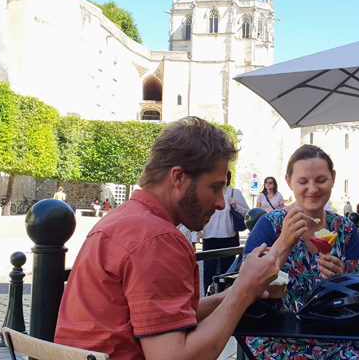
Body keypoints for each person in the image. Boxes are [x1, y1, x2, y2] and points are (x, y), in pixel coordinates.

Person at [55, 116, 281, 360]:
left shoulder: (120, 220)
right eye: (214, 187)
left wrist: (236, 291)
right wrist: (244, 292)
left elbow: (165, 317)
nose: (219, 203)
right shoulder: (158, 239)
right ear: (178, 178)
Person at [244, 144, 359, 360]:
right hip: (279, 339)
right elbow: (244, 289)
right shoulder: (269, 226)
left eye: (321, 180)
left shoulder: (345, 229)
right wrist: (283, 243)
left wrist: (343, 281)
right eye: (303, 182)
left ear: (332, 178)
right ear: (288, 182)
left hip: (339, 335)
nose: (312, 189)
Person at [198, 170, 249, 289]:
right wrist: (199, 231)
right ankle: (208, 296)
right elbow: (200, 211)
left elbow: (248, 213)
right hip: (210, 236)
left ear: (227, 178)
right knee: (208, 271)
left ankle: (224, 298)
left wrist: (236, 206)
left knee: (227, 272)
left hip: (228, 237)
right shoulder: (209, 192)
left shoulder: (234, 193)